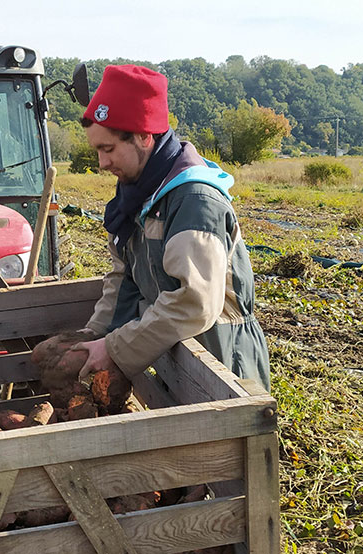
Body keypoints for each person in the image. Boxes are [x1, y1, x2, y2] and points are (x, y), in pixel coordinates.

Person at [73, 65, 270, 391]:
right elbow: (125, 279)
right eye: (97, 150)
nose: (102, 163)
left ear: (144, 137)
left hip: (221, 362)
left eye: (108, 149)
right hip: (173, 357)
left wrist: (113, 348)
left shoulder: (193, 199)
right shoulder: (136, 195)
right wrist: (94, 335)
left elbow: (195, 303)